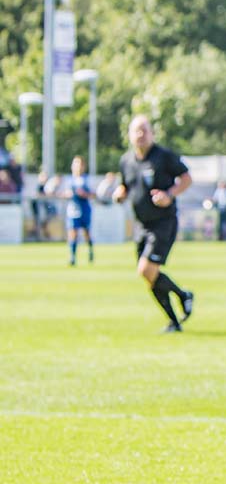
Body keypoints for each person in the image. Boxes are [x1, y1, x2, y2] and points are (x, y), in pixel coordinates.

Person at [112, 115, 194, 332]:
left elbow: (186, 178)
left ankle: (182, 297)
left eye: (144, 130)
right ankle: (175, 319)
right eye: (136, 131)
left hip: (163, 222)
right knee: (150, 276)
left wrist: (169, 195)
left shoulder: (164, 156)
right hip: (141, 225)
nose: (140, 135)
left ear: (152, 133)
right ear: (129, 135)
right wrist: (119, 194)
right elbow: (125, 186)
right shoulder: (126, 161)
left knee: (146, 270)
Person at [56, 155, 95, 265]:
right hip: (73, 209)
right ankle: (72, 257)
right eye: (75, 164)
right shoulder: (69, 180)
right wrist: (65, 194)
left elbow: (93, 194)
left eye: (79, 164)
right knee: (73, 232)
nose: (77, 166)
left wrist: (85, 194)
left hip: (85, 209)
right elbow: (64, 193)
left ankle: (90, 251)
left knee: (86, 232)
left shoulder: (87, 179)